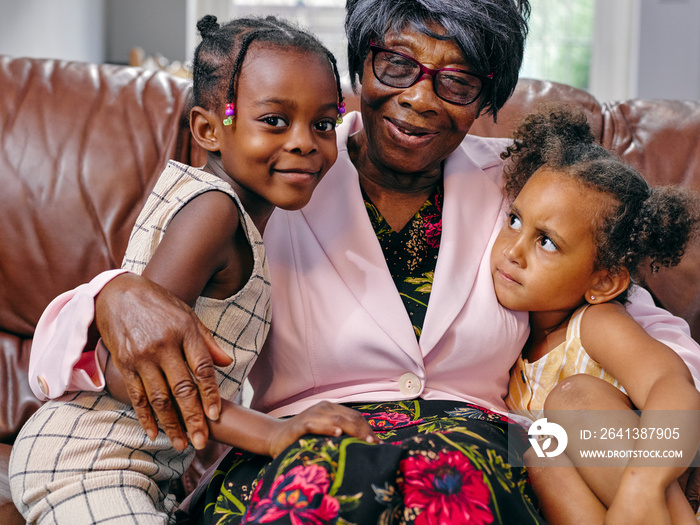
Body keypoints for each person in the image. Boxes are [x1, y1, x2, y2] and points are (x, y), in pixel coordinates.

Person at [14, 0, 700, 523]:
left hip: (487, 450)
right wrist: (113, 295)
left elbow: (658, 353)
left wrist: (641, 471)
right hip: (301, 442)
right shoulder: (281, 168)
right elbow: (86, 339)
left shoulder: (529, 192)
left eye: (458, 79)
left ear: (490, 96)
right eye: (396, 64)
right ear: (360, 63)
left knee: (449, 479)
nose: (420, 96)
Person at [8, 15, 377, 525]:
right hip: (89, 459)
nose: (305, 143)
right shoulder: (214, 212)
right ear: (208, 129)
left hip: (140, 466)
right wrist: (272, 433)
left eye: (323, 123)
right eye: (274, 120)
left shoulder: (230, 212)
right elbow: (124, 368)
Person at [491, 106, 700, 524]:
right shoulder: (507, 343)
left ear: (603, 283)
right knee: (536, 449)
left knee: (572, 399)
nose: (512, 251)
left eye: (546, 242)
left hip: (654, 481)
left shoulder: (597, 322)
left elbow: (672, 387)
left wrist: (644, 485)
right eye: (514, 220)